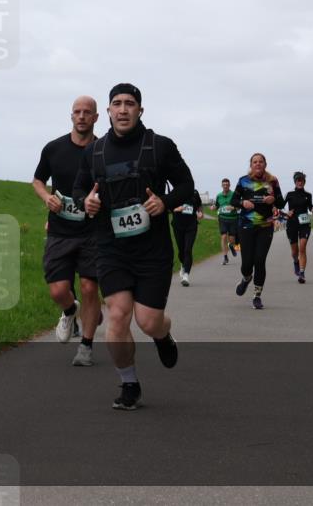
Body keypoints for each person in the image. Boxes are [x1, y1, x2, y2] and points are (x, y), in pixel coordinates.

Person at [73, 83, 193, 411]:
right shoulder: (94, 152)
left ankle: (163, 335)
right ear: (108, 112)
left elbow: (187, 185)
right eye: (117, 103)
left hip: (152, 249)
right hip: (111, 246)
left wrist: (165, 202)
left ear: (140, 110)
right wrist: (88, 202)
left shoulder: (160, 146)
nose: (123, 109)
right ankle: (129, 383)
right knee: (118, 316)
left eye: (130, 103)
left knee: (148, 321)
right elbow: (80, 187)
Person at [32, 96, 103, 366]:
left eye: (87, 112)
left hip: (93, 232)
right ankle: (70, 310)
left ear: (96, 117)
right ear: (71, 116)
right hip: (60, 230)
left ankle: (85, 347)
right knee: (59, 291)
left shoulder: (102, 150)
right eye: (77, 112)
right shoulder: (54, 148)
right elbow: (38, 180)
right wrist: (46, 198)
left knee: (88, 287)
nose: (82, 116)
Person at [230, 153, 285, 310]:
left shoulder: (272, 181)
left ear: (265, 164)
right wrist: (243, 202)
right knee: (247, 263)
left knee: (260, 260)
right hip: (246, 225)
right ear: (251, 165)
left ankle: (257, 295)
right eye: (255, 162)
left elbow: (281, 202)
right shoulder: (243, 181)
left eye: (261, 162)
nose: (258, 164)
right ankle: (246, 278)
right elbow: (234, 200)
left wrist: (273, 200)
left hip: (265, 226)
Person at [284, 171, 313, 283]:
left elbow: (310, 206)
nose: (300, 182)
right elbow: (281, 206)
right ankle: (296, 262)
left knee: (302, 247)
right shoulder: (289, 194)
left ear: (304, 182)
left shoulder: (308, 195)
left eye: (302, 180)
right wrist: (286, 213)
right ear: (295, 182)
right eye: (298, 180)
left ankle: (302, 273)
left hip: (304, 224)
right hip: (292, 224)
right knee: (295, 251)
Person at [172, 189, 203, 286]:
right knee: (181, 250)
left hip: (191, 225)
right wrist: (177, 209)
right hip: (178, 226)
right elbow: (168, 207)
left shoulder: (194, 192)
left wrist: (200, 213)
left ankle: (186, 275)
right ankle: (183, 264)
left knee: (187, 249)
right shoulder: (174, 192)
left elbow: (199, 205)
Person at [211, 178, 239, 265]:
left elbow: (239, 206)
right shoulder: (219, 195)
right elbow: (216, 205)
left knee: (232, 239)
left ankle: (231, 245)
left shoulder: (234, 194)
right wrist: (213, 207)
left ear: (229, 185)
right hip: (222, 218)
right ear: (222, 186)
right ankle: (225, 257)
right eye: (224, 185)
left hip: (233, 219)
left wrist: (233, 208)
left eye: (227, 185)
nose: (225, 186)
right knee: (223, 236)